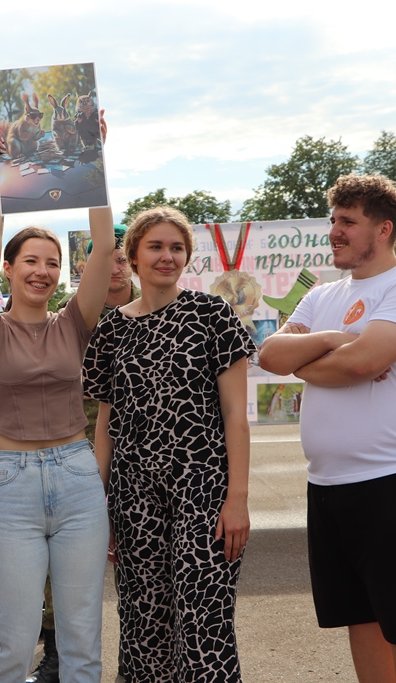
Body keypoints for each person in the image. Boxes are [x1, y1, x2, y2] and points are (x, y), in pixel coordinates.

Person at [258, 174, 396, 683]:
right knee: (361, 621)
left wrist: (322, 357)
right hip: (329, 485)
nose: (334, 231)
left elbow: (360, 364)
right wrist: (338, 339)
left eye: (348, 222)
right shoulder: (322, 296)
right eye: (332, 220)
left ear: (383, 229)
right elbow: (272, 355)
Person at [0, 121, 114, 683]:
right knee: (15, 639)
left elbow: (103, 247)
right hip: (13, 485)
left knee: (81, 638)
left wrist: (94, 158)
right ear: (10, 268)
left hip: (76, 480)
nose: (43, 271)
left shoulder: (74, 323)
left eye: (52, 263)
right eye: (30, 260)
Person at [83, 206, 253, 681]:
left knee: (204, 624)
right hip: (133, 493)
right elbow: (104, 425)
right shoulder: (112, 328)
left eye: (176, 248)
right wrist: (102, 503)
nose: (167, 256)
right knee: (142, 622)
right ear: (133, 256)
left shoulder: (211, 313)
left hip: (204, 490)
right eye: (155, 246)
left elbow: (237, 416)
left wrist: (236, 499)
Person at [31, 223, 140, 683]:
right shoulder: (71, 313)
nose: (114, 266)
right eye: (104, 256)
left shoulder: (154, 306)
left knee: (140, 560)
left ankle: (142, 658)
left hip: (140, 448)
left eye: (120, 256)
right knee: (63, 562)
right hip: (77, 445)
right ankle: (56, 652)